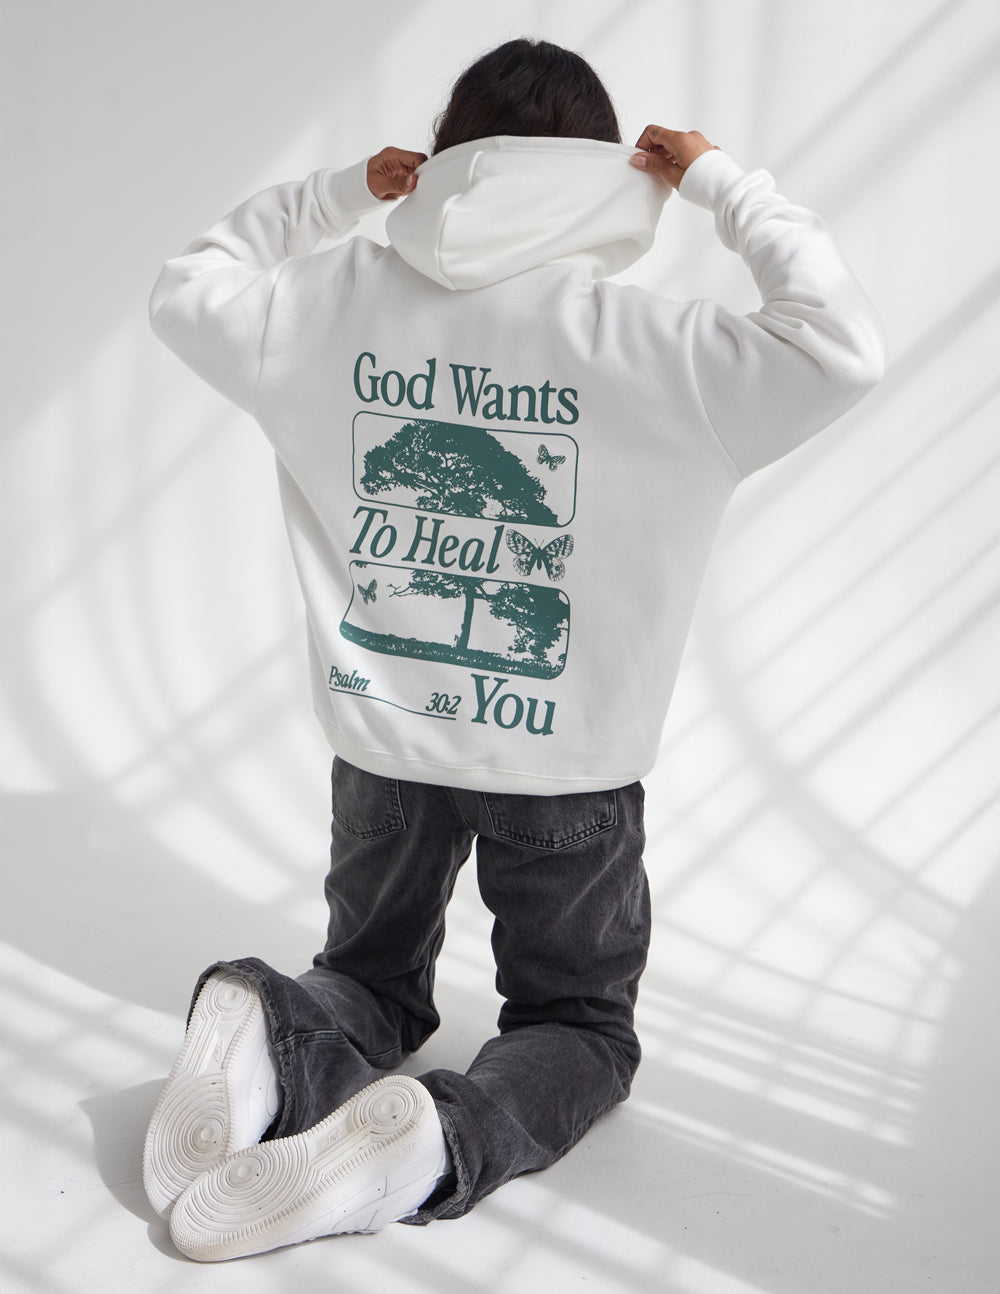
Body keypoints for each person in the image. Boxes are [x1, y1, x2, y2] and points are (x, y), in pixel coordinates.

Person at [143, 38, 884, 1261]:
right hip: (565, 761)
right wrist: (719, 183)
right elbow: (837, 344)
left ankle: (266, 1025)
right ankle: (434, 1140)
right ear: (610, 172)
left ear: (440, 158)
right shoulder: (656, 346)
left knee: (367, 980)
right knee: (575, 1023)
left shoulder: (321, 305)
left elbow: (187, 286)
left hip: (383, 739)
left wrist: (337, 194)